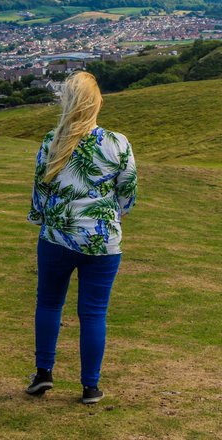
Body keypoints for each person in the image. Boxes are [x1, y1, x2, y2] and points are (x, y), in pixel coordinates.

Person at [25, 71, 137, 405]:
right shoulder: (117, 142)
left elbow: (40, 191)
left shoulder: (52, 141)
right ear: (97, 102)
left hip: (57, 237)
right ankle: (90, 386)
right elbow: (128, 193)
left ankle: (43, 373)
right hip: (103, 241)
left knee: (49, 303)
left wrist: (42, 219)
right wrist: (112, 215)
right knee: (94, 313)